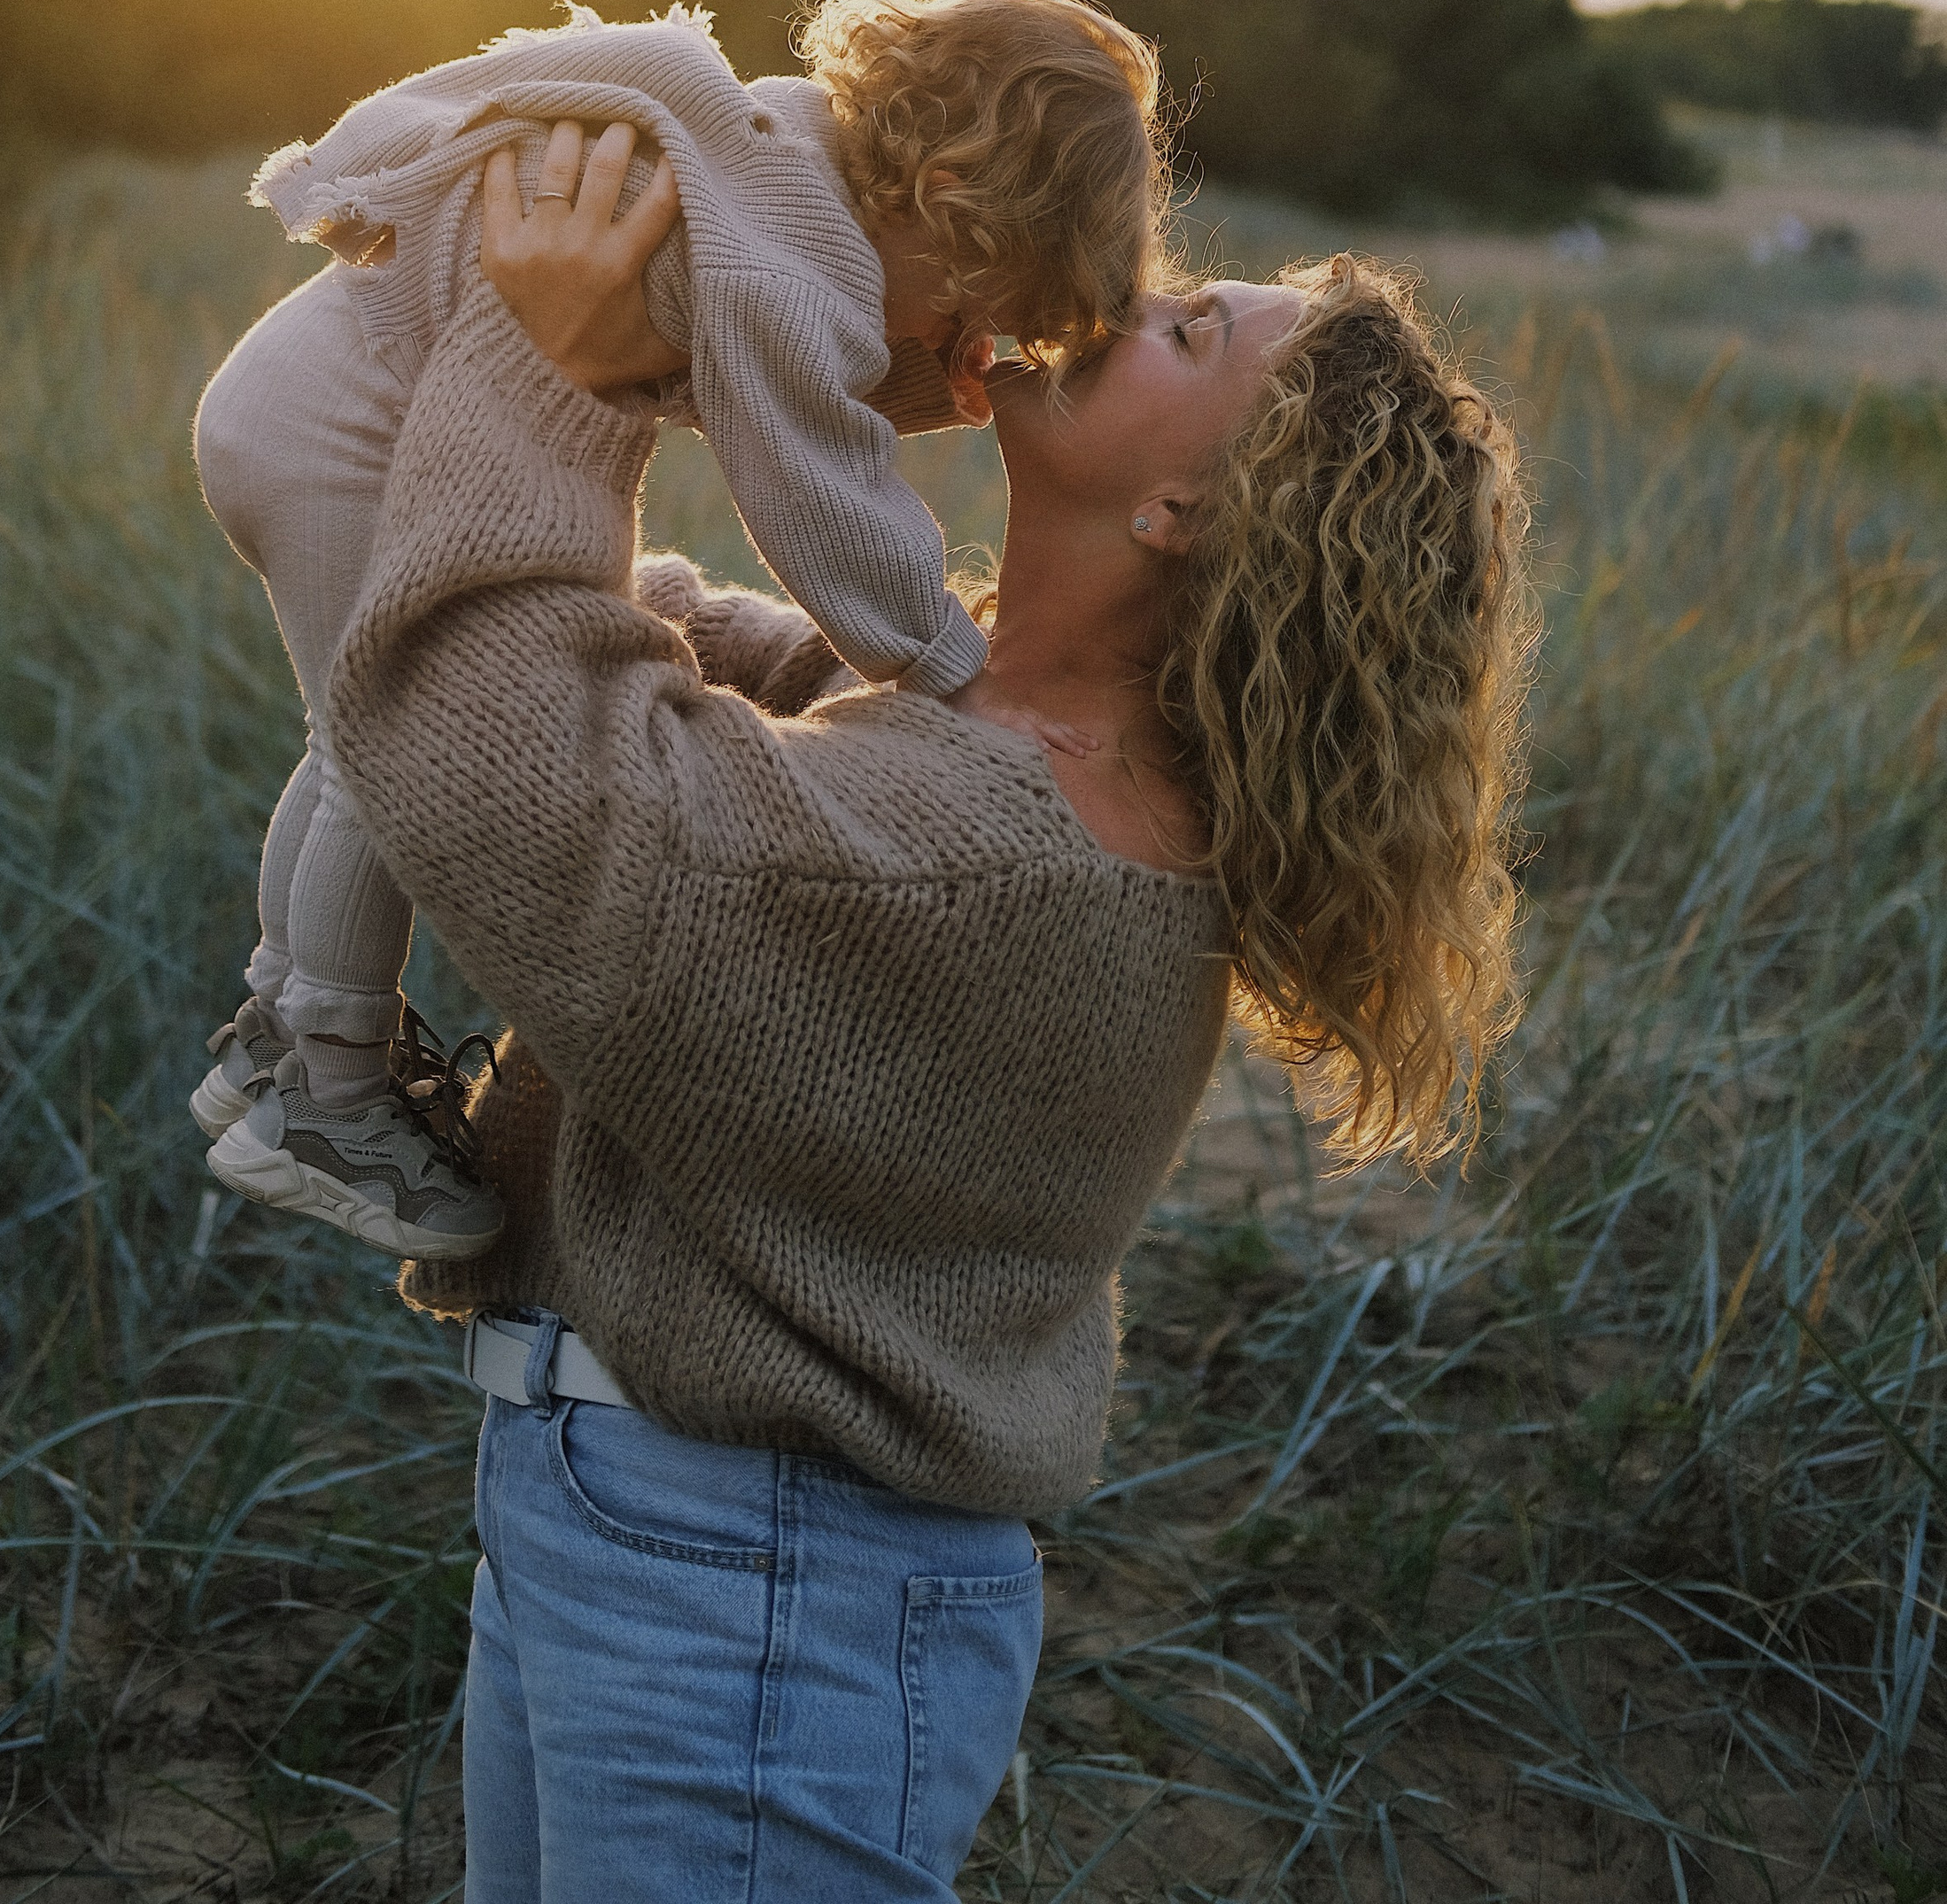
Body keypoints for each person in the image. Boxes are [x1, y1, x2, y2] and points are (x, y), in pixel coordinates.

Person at [315, 122, 1535, 1900]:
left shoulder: (999, 854)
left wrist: (554, 375)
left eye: (1186, 329)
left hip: (755, 1604)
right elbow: (676, 644)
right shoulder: (992, 736)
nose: (1126, 293)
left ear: (1186, 511)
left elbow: (515, 761)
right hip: (669, 1545)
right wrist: (718, 335)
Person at [189, 0, 1165, 1260]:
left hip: (294, 394)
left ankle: (273, 1037)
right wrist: (948, 667)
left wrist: (933, 375)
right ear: (942, 200)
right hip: (347, 434)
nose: (958, 329)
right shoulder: (793, 261)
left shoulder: (781, 155)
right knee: (386, 754)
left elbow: (761, 355)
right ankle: (326, 1090)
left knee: (341, 744)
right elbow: (810, 482)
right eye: (968, 303)